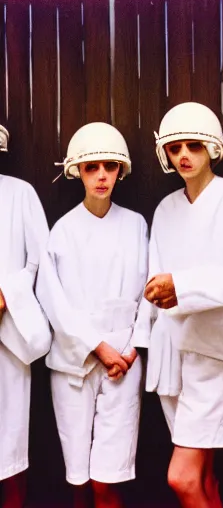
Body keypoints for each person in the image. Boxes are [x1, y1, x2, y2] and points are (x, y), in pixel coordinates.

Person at [142, 102, 223, 508]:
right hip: (171, 356)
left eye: (193, 146)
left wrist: (181, 286)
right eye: (175, 147)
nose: (183, 156)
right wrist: (161, 294)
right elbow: (155, 279)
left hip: (215, 354)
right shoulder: (165, 209)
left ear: (212, 148)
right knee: (205, 476)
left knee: (181, 477)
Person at [36, 122, 149, 508]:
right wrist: (96, 346)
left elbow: (149, 294)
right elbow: (54, 301)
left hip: (124, 363)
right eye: (91, 167)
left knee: (108, 479)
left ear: (121, 171)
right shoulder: (62, 231)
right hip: (74, 364)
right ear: (77, 172)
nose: (101, 176)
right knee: (79, 477)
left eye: (110, 166)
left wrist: (132, 349)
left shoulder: (136, 225)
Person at [0, 123, 52, 508]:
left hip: (9, 334)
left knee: (10, 443)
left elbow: (39, 258)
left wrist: (6, 294)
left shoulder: (20, 193)